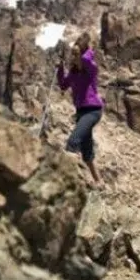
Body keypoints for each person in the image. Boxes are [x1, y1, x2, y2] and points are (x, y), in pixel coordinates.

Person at [56, 32, 103, 185]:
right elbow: (63, 85)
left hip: (93, 110)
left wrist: (85, 48)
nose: (73, 57)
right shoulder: (74, 73)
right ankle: (99, 182)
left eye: (76, 54)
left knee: (72, 142)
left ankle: (67, 181)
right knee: (86, 150)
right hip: (81, 112)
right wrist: (60, 69)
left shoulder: (91, 69)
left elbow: (86, 59)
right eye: (72, 53)